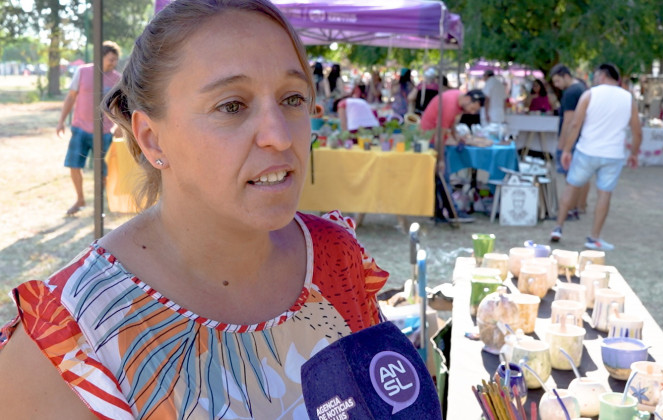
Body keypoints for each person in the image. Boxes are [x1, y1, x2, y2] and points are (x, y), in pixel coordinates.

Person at [0, 1, 389, 418]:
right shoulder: (75, 341)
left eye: (292, 98)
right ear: (152, 140)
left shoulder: (335, 256)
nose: (279, 135)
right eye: (232, 106)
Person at [550, 63, 642, 250]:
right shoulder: (628, 99)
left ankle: (558, 227)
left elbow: (575, 124)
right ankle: (594, 237)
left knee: (571, 186)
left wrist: (567, 150)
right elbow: (637, 130)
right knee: (604, 194)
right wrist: (633, 153)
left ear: (601, 76)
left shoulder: (590, 94)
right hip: (613, 153)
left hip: (587, 150)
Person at [56, 41, 122, 216]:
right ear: (100, 57)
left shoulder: (117, 78)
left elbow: (121, 106)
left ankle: (102, 204)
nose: (113, 63)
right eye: (110, 59)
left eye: (115, 60)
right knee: (74, 165)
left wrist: (120, 126)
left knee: (103, 172)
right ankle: (80, 199)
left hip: (104, 132)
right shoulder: (83, 71)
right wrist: (61, 121)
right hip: (80, 128)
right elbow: (71, 98)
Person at [550, 64, 590, 218]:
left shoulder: (571, 93)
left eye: (557, 81)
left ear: (565, 76)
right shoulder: (581, 88)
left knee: (571, 176)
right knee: (582, 175)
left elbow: (569, 120)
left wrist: (562, 144)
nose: (556, 85)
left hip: (572, 139)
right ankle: (580, 206)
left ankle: (571, 207)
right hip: (581, 137)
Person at [419, 89, 485, 174]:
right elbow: (439, 136)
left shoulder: (458, 98)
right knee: (442, 176)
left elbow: (451, 123)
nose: (472, 113)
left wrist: (457, 137)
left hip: (433, 138)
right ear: (467, 99)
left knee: (441, 176)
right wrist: (440, 160)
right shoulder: (450, 106)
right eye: (472, 108)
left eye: (475, 111)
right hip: (430, 140)